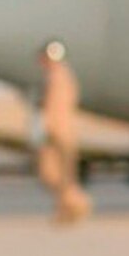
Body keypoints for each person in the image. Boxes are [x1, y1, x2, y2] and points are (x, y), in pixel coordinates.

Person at [34, 40, 91, 225]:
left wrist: (49, 128)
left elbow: (56, 107)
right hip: (58, 131)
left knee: (59, 174)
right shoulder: (57, 76)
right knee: (52, 174)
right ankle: (70, 205)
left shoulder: (59, 78)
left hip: (59, 132)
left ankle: (76, 204)